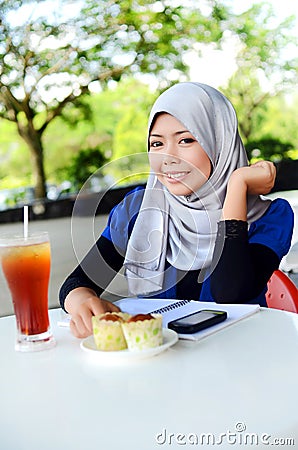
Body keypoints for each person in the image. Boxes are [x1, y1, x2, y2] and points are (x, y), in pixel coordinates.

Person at [59, 82, 294, 338]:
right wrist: (81, 300)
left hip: (240, 359)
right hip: (162, 360)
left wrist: (237, 185)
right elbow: (75, 283)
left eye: (185, 140)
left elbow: (231, 293)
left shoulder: (268, 217)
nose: (168, 158)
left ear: (220, 142)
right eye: (157, 144)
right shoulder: (138, 210)